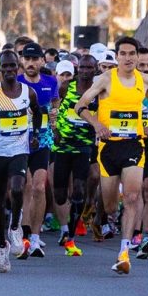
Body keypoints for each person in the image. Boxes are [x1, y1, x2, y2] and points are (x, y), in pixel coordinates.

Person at [75, 37, 148, 275]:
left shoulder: (144, 79)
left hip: (134, 145)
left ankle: (124, 252)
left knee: (132, 196)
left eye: (132, 54)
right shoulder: (106, 79)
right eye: (123, 54)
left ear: (138, 57)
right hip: (108, 147)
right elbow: (80, 106)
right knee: (109, 205)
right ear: (117, 57)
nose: (128, 58)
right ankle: (102, 215)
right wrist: (96, 124)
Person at [0, 50, 41, 273]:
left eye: (13, 66)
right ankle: (2, 245)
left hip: (19, 150)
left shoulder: (28, 92)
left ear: (18, 67)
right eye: (6, 67)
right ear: (0, 69)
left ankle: (16, 226)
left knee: (18, 188)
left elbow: (37, 113)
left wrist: (36, 134)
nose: (10, 70)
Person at [53, 54, 97, 257]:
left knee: (79, 189)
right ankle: (67, 217)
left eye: (90, 68)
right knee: (60, 196)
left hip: (84, 145)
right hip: (63, 145)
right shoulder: (66, 87)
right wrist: (55, 132)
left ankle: (70, 235)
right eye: (83, 67)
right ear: (78, 68)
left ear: (95, 69)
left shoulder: (99, 90)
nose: (86, 71)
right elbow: (58, 110)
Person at [17, 42, 57, 259]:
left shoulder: (50, 81)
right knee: (27, 186)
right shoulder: (16, 82)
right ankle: (22, 234)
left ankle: (34, 237)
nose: (31, 63)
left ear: (42, 61)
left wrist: (55, 114)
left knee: (40, 187)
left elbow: (55, 101)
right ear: (22, 61)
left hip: (42, 140)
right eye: (27, 59)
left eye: (35, 59)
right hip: (20, 141)